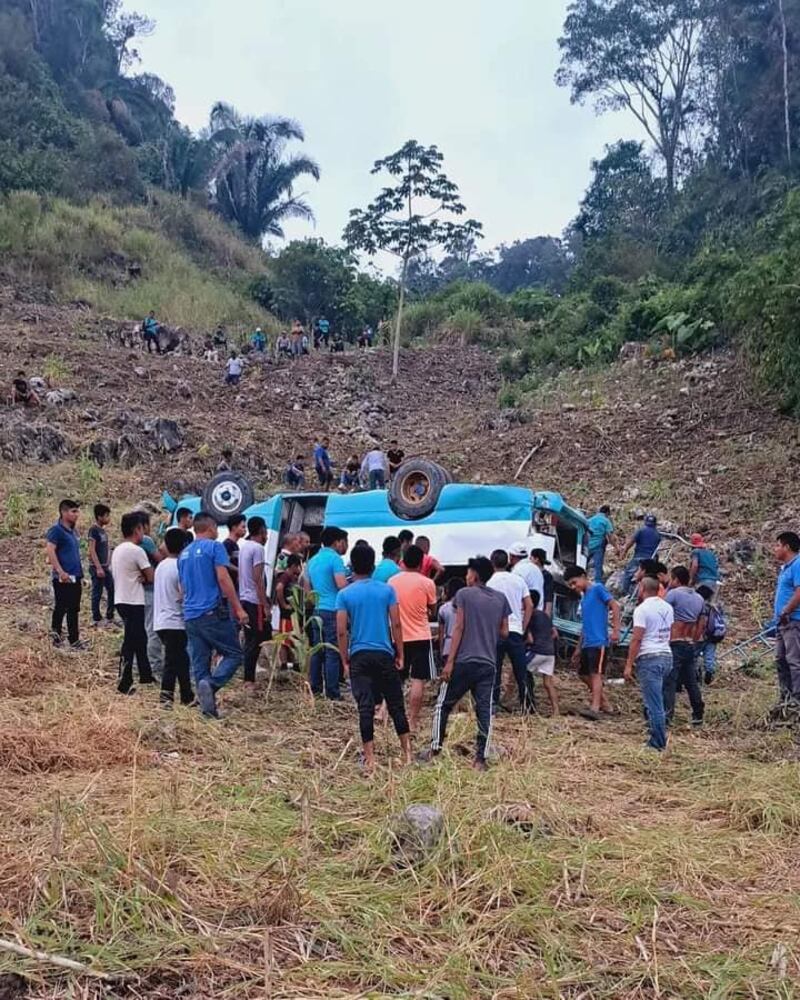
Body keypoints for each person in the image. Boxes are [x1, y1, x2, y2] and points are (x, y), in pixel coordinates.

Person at [428, 556, 511, 772]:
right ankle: (480, 759)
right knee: (484, 710)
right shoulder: (500, 599)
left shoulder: (464, 595)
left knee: (443, 704)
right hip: (488, 662)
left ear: (474, 575)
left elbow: (459, 628)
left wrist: (449, 662)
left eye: (468, 573)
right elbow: (504, 632)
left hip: (464, 660)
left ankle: (435, 749)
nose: (466, 576)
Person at [336, 543, 412, 771]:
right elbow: (396, 623)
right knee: (396, 704)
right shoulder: (387, 590)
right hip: (384, 653)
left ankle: (370, 758)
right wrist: (400, 653)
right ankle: (407, 754)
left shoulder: (344, 594)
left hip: (359, 655)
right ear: (373, 564)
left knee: (365, 707)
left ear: (352, 565)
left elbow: (341, 630)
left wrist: (344, 659)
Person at [179, 512, 249, 719]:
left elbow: (182, 587)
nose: (218, 532)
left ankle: (207, 711)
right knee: (234, 654)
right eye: (216, 528)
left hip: (191, 615)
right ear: (210, 528)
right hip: (212, 612)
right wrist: (238, 608)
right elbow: (223, 578)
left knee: (200, 662)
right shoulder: (214, 547)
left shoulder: (184, 554)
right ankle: (211, 684)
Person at [389, 544, 438, 733]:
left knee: (396, 679)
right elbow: (433, 610)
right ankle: (413, 720)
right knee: (419, 679)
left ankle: (390, 714)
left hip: (397, 636)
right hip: (421, 636)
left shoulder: (392, 582)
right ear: (420, 563)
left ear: (402, 560)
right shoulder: (427, 583)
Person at [624, 577, 674, 750]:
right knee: (655, 699)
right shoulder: (667, 607)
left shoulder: (642, 609)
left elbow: (637, 639)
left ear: (643, 588)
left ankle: (657, 742)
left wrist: (629, 664)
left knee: (654, 704)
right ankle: (654, 733)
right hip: (666, 656)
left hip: (650, 657)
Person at [565, 565, 621, 721]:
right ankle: (605, 704)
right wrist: (578, 647)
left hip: (598, 641)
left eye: (574, 582)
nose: (574, 587)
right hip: (587, 642)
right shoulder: (584, 599)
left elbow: (615, 606)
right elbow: (584, 624)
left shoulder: (597, 589)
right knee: (583, 674)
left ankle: (595, 708)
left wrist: (616, 630)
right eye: (571, 585)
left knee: (596, 674)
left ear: (583, 576)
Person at [111, 512, 155, 694]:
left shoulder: (118, 550)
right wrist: (145, 578)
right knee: (131, 641)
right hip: (133, 600)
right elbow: (151, 576)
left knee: (139, 638)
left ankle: (145, 674)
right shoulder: (137, 551)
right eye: (141, 528)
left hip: (121, 598)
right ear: (137, 529)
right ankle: (124, 681)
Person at [488, 549, 534, 713]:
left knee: (495, 668)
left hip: (496, 631)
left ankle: (493, 703)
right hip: (515, 629)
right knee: (520, 669)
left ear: (492, 563)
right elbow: (529, 605)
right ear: (507, 561)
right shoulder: (518, 580)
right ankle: (527, 704)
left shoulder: (489, 582)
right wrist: (523, 625)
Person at [307, 526, 349, 699]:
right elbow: (341, 585)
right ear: (338, 542)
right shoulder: (335, 559)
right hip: (332, 610)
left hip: (317, 610)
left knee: (317, 650)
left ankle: (315, 689)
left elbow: (307, 589)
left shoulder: (313, 560)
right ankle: (332, 693)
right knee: (332, 652)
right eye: (345, 542)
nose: (346, 546)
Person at [154, 527, 193, 707]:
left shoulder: (161, 565)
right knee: (172, 660)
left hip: (161, 620)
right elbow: (183, 593)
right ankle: (165, 698)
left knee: (181, 660)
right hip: (175, 621)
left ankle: (187, 696)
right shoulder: (180, 566)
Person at [663, 566, 706, 727]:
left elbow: (662, 611)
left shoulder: (673, 594)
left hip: (675, 642)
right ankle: (698, 714)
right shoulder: (699, 598)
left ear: (675, 579)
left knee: (670, 681)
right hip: (689, 643)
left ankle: (667, 716)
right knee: (690, 681)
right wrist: (694, 640)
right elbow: (701, 623)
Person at [45, 499, 85, 651]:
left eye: (77, 511)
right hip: (62, 578)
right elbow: (50, 550)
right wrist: (61, 572)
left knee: (74, 608)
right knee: (61, 607)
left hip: (75, 576)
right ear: (63, 512)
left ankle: (74, 640)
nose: (77, 514)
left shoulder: (73, 531)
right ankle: (56, 636)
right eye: (73, 511)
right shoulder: (56, 530)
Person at [238, 517, 271, 691]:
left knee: (255, 637)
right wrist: (265, 604)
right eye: (265, 531)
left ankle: (249, 674)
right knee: (255, 640)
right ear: (261, 530)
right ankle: (248, 679)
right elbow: (258, 578)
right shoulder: (258, 548)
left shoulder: (245, 547)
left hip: (244, 597)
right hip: (254, 600)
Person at [773, 531, 800, 706]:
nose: (775, 549)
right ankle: (786, 697)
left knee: (794, 660)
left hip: (793, 621)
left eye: (777, 545)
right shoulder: (786, 568)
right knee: (780, 659)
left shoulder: (798, 564)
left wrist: (786, 611)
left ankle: (797, 698)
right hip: (782, 623)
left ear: (787, 547)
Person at [136, 512, 163, 679]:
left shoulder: (128, 544)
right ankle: (154, 666)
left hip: (136, 591)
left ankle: (138, 664)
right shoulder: (146, 541)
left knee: (140, 629)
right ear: (144, 526)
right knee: (152, 629)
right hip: (149, 590)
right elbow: (159, 558)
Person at [525, 589, 559, 716]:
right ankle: (556, 711)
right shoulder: (545, 615)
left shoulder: (529, 616)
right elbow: (554, 633)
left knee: (520, 670)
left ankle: (527, 705)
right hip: (550, 653)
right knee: (548, 683)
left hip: (537, 651)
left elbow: (530, 639)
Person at [88, 503, 115, 627]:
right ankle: (96, 617)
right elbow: (92, 549)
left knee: (111, 589)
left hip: (104, 566)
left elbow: (107, 547)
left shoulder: (103, 531)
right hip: (96, 567)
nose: (108, 518)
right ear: (99, 517)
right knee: (97, 592)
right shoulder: (93, 530)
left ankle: (110, 615)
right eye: (106, 516)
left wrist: (108, 561)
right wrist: (98, 566)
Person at [621, 515, 663, 593]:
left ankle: (625, 594)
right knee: (648, 579)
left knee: (628, 574)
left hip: (639, 558)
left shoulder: (641, 531)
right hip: (651, 560)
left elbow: (631, 541)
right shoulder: (657, 534)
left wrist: (624, 551)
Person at [509, 543, 544, 609]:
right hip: (537, 612)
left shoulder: (518, 570)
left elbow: (514, 595)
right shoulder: (537, 569)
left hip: (524, 614)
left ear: (511, 556)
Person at [438, 577, 465, 663]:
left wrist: (441, 650)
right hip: (464, 647)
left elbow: (441, 634)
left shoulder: (443, 609)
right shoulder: (467, 606)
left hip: (448, 646)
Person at [586, 505, 615, 582]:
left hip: (587, 545)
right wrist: (616, 547)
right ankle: (598, 584)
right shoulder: (606, 521)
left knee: (583, 564)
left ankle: (581, 580)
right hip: (598, 547)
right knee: (598, 567)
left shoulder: (590, 520)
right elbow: (610, 536)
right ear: (607, 513)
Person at [223, 514, 247, 590]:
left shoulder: (236, 545)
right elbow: (225, 562)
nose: (245, 530)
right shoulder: (227, 544)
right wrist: (240, 570)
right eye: (243, 527)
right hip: (228, 587)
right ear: (234, 527)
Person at [530, 549, 554, 617]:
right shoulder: (531, 573)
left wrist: (546, 617)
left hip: (539, 613)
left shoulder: (547, 576)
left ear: (536, 559)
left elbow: (548, 598)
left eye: (531, 558)